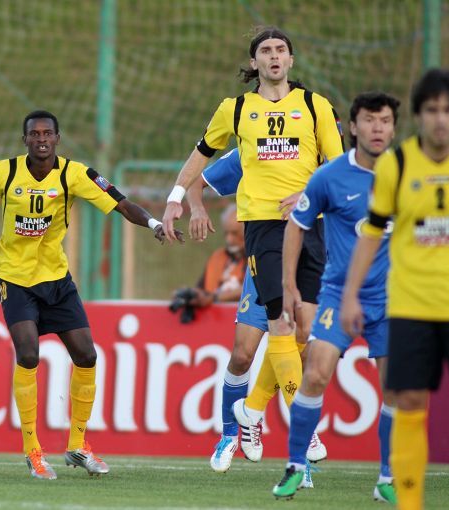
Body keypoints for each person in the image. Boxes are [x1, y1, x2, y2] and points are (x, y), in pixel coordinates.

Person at [0, 110, 180, 480]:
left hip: (57, 279)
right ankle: (33, 450)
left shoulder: (75, 174)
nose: (41, 139)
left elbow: (121, 203)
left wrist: (154, 224)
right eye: (34, 134)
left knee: (87, 355)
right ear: (25, 139)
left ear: (57, 139)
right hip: (14, 278)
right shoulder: (3, 172)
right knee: (29, 353)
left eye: (48, 133)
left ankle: (77, 445)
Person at [163, 26, 342, 464]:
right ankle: (241, 433)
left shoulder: (315, 108)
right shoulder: (239, 113)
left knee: (304, 334)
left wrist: (309, 196)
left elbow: (339, 171)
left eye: (281, 49)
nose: (274, 56)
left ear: (291, 60)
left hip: (310, 230)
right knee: (246, 349)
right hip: (263, 233)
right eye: (266, 50)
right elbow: (201, 167)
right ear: (254, 61)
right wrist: (182, 201)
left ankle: (252, 411)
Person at [341, 69, 449, 510]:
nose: (440, 119)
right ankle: (409, 503)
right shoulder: (397, 164)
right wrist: (350, 294)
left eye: (448, 110)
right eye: (431, 110)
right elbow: (372, 232)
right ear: (419, 115)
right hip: (410, 304)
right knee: (407, 399)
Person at [271, 92, 400, 502]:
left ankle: (387, 478)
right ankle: (296, 466)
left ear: (393, 128)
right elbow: (296, 225)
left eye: (385, 121)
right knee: (315, 373)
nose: (377, 128)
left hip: (393, 299)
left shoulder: (408, 175)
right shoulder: (329, 176)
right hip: (338, 295)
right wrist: (289, 286)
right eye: (370, 120)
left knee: (397, 389)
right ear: (353, 127)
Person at [189, 150, 321, 481]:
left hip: (306, 260)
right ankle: (230, 434)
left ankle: (289, 440)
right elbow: (197, 181)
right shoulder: (256, 145)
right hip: (264, 260)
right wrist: (196, 207)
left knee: (300, 349)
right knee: (242, 354)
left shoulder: (326, 159)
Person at [169, 203, 245, 324]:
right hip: (212, 322)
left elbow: (254, 289)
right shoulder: (217, 257)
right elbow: (202, 289)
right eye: (226, 233)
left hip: (241, 322)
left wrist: (214, 298)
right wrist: (188, 295)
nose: (229, 240)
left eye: (235, 233)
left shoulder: (257, 257)